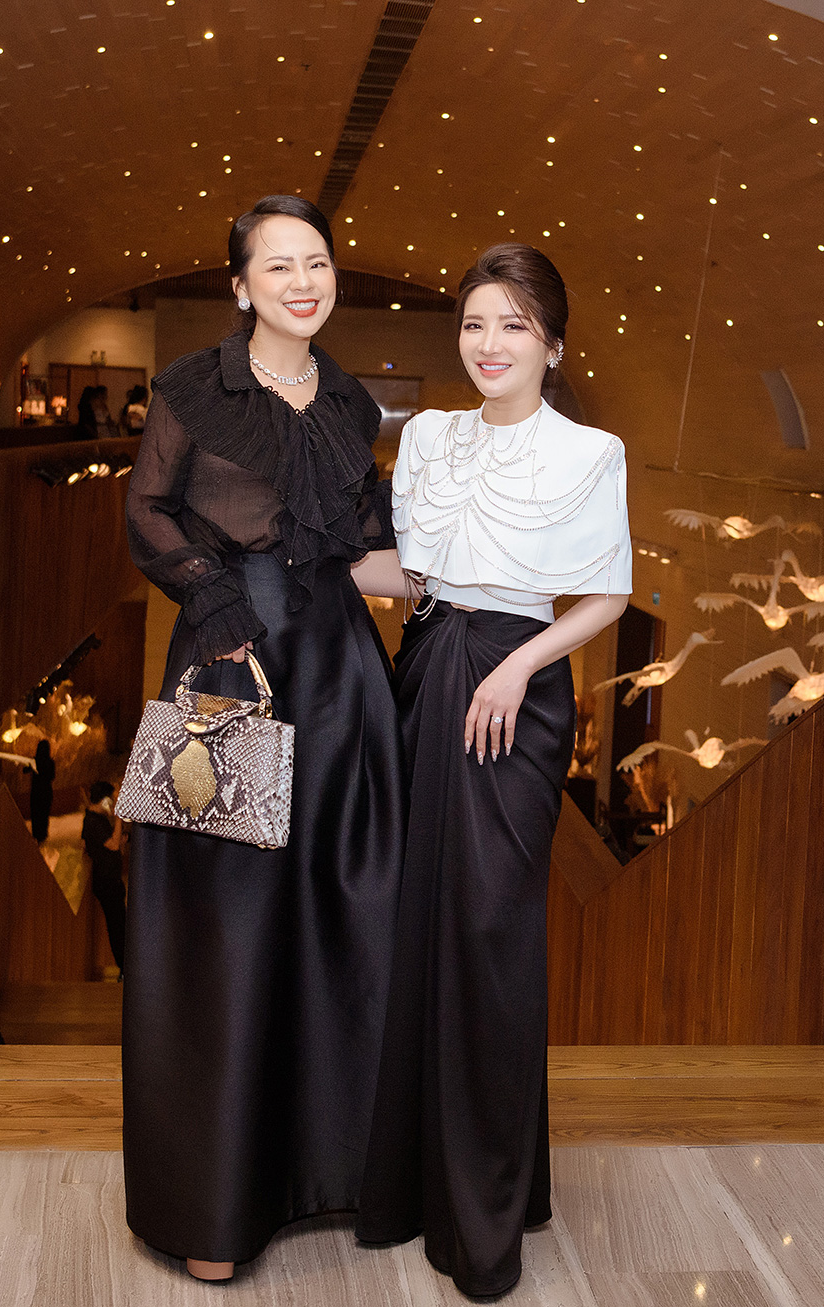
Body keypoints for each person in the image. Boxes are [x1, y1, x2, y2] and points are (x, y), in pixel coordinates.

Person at [122, 194, 404, 1284]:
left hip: (338, 678)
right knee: (227, 932)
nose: (302, 280)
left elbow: (365, 547)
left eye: (317, 261)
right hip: (230, 669)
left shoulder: (351, 401)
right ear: (241, 285)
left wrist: (482, 585)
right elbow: (147, 510)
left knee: (343, 916)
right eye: (277, 264)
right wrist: (213, 597)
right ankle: (217, 1205)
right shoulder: (194, 387)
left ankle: (334, 1176)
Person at [353, 244, 632, 1298]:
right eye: (475, 322)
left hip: (515, 686)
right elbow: (407, 571)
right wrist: (295, 552)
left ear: (551, 344)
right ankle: (408, 1187)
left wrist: (518, 664)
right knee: (414, 922)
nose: (490, 343)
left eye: (514, 324)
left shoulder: (590, 450)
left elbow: (605, 594)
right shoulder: (429, 433)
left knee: (489, 934)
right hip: (427, 663)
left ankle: (485, 1216)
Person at [80, 780, 125, 975]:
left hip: (111, 881)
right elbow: (113, 845)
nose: (113, 804)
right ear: (104, 800)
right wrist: (119, 818)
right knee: (117, 927)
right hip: (107, 883)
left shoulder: (96, 819)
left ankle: (125, 966)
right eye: (111, 800)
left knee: (120, 925)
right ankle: (124, 967)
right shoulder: (93, 821)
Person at [28, 739, 55, 842]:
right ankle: (43, 835)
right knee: (44, 814)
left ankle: (36, 835)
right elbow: (52, 776)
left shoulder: (34, 761)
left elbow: (25, 770)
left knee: (35, 814)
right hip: (46, 791)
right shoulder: (50, 762)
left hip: (36, 792)